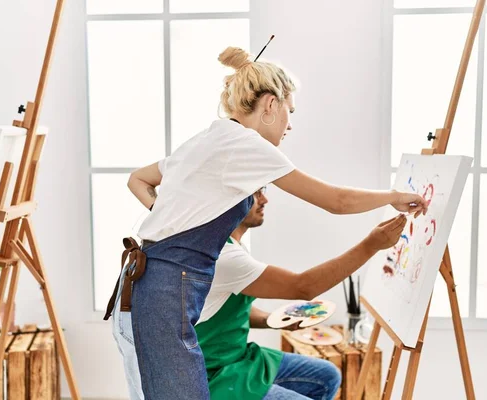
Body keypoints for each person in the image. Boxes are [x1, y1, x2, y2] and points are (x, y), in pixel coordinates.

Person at [106, 45, 427, 399]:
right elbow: (336, 201)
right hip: (165, 291)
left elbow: (138, 179)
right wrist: (393, 197)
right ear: (271, 105)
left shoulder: (208, 138)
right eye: (290, 110)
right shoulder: (246, 145)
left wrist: (172, 220)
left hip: (139, 287)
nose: (291, 123)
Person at [112, 187, 406, 399]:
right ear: (231, 204)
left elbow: (221, 308)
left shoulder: (230, 246)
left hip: (241, 360)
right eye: (257, 193)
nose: (265, 199)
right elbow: (303, 286)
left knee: (328, 376)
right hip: (218, 374)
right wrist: (371, 245)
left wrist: (272, 320)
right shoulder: (225, 258)